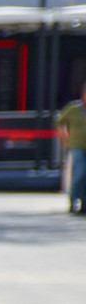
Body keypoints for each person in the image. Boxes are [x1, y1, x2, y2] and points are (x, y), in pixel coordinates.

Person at [59, 80, 86, 216]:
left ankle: (84, 203)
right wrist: (65, 138)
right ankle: (73, 199)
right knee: (79, 172)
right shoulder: (73, 109)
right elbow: (61, 122)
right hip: (77, 146)